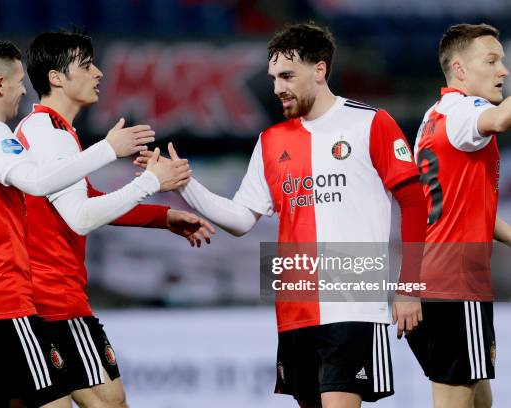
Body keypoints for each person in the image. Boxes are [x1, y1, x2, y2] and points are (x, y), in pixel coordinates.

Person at [136, 22, 427, 408]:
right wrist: (183, 185)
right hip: (295, 307)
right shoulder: (271, 141)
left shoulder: (370, 123)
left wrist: (409, 287)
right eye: (273, 77)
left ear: (320, 70)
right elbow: (241, 218)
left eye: (287, 76)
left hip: (353, 302)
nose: (276, 88)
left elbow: (415, 202)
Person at [0, 40, 186, 408]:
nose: (22, 89)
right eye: (17, 81)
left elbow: (74, 197)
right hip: (8, 302)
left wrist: (161, 216)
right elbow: (50, 191)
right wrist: (117, 155)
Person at [15, 31, 215, 408]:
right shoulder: (52, 135)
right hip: (55, 301)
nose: (100, 73)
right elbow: (81, 218)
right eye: (87, 66)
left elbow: (84, 198)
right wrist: (152, 182)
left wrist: (162, 217)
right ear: (56, 78)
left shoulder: (41, 130)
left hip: (32, 299)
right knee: (110, 404)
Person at [410, 23, 511, 408]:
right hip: (455, 284)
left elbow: (465, 210)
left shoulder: (433, 117)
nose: (503, 70)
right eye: (492, 60)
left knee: (480, 399)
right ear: (460, 70)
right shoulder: (468, 111)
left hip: (435, 281)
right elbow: (500, 120)